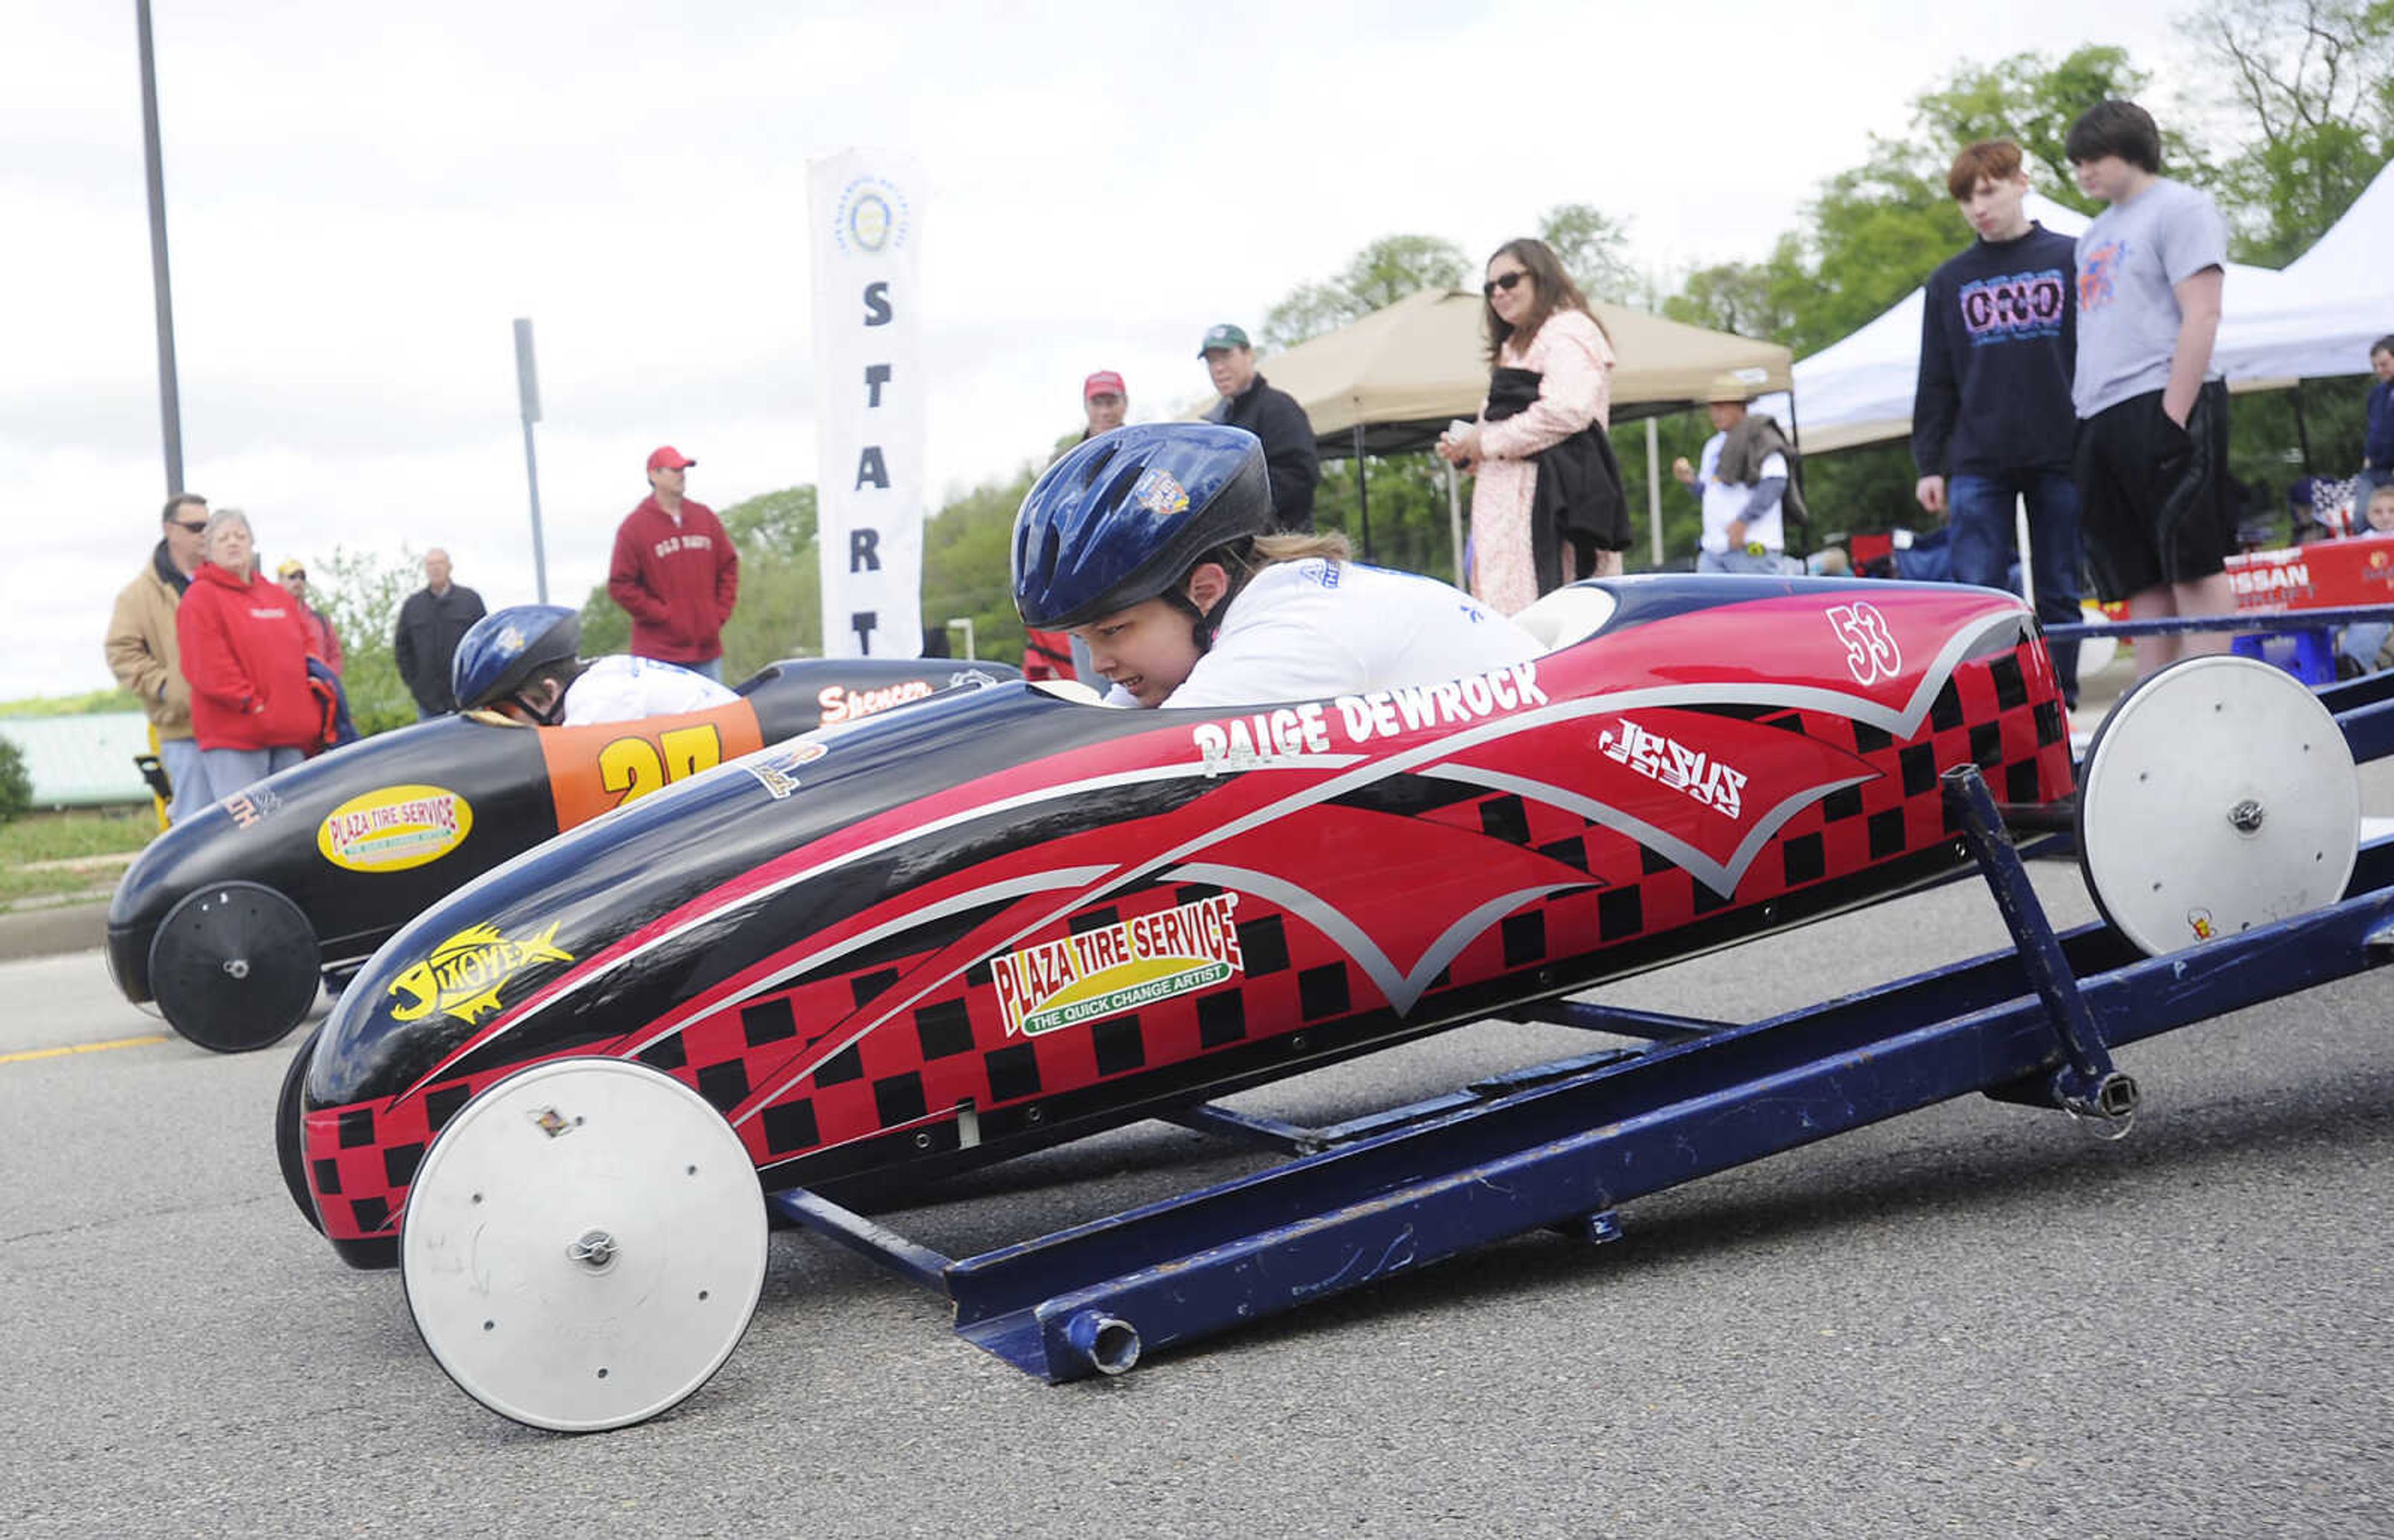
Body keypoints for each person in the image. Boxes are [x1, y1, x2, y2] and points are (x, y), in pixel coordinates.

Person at [1012, 422, 1541, 711]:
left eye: (1113, 630)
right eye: (1086, 642)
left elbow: (1126, 768)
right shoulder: (1264, 601)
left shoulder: (1282, 638)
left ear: (1204, 590)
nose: (1101, 662)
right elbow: (1108, 724)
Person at [1912, 139, 2084, 708]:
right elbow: (1935, 376)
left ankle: (2060, 697)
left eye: (1986, 192)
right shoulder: (1948, 280)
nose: (1976, 207)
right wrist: (1929, 463)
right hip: (1978, 455)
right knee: (1978, 594)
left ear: (2021, 182)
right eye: (1965, 198)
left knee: (2061, 587)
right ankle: (1991, 706)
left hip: (2062, 445)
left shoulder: (2072, 256)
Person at [2067, 99, 2234, 678]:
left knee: (2191, 559)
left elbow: (2203, 314)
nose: (2084, 171)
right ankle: (2154, 702)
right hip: (2101, 411)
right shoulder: (2090, 236)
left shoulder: (2181, 207)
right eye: (2077, 163)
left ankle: (2212, 693)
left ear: (2131, 150)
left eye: (2093, 158)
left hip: (2164, 397)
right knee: (2136, 573)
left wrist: (2175, 413)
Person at [1436, 238, 1628, 616]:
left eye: (1509, 281)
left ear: (1541, 276)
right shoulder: (1513, 347)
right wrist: (1468, 451)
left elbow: (1568, 410)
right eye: (1490, 288)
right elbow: (1496, 434)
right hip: (1506, 519)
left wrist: (1487, 442)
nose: (1499, 293)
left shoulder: (1569, 330)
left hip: (1552, 509)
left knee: (1555, 624)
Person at [175, 509, 321, 801]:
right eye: (224, 538)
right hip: (235, 737)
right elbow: (207, 666)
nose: (233, 543)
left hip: (290, 735)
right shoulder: (200, 597)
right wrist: (251, 704)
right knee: (254, 827)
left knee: (292, 821)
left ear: (252, 543)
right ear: (208, 549)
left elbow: (308, 651)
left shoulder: (278, 597)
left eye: (240, 536)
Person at [451, 604, 736, 727]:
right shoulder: (605, 673)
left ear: (549, 692)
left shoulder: (595, 703)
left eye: (505, 711)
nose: (506, 724)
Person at [105, 493, 209, 822]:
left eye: (209, 525)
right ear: (170, 530)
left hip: (238, 732)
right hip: (184, 733)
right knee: (195, 824)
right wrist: (168, 689)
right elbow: (120, 651)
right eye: (195, 527)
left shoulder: (225, 582)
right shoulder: (138, 596)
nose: (204, 534)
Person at [609, 445, 740, 681]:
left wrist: (717, 614)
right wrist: (663, 615)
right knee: (666, 719)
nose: (681, 475)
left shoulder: (704, 517)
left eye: (684, 470)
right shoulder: (635, 527)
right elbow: (621, 585)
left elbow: (729, 566)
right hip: (658, 656)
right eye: (674, 470)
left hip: (706, 651)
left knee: (713, 717)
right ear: (654, 475)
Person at [1672, 375, 1802, 573]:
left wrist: (1743, 521)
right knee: (1709, 603)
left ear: (1742, 407)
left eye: (1723, 406)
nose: (1716, 413)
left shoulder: (1762, 437)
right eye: (1713, 407)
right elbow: (1712, 494)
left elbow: (1774, 484)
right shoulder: (1713, 445)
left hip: (1752, 547)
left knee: (1754, 604)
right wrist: (1692, 482)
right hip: (1713, 548)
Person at [1198, 324, 1321, 531]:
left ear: (1249, 355)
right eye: (1211, 361)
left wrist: (1232, 506)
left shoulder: (1278, 407)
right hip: (1238, 547)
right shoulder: (1218, 423)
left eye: (1226, 356)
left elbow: (1300, 476)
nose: (1218, 368)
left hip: (1282, 546)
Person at [393, 548, 486, 717]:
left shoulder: (470, 601)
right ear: (425, 569)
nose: (435, 568)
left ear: (449, 567)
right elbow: (403, 650)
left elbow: (484, 643)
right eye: (431, 564)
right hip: (428, 704)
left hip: (468, 700)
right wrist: (417, 685)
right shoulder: (413, 606)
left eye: (440, 563)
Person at [275, 558, 344, 676]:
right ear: (280, 581)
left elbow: (335, 655)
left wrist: (327, 677)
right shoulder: (270, 618)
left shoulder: (321, 621)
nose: (298, 581)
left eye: (302, 577)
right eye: (292, 577)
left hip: (318, 688)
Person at [2361, 335, 2394, 507]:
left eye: (2384, 364)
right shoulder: (2376, 393)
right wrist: (2368, 458)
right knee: (2361, 519)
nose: (2379, 370)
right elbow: (2373, 428)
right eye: (2375, 366)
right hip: (2373, 469)